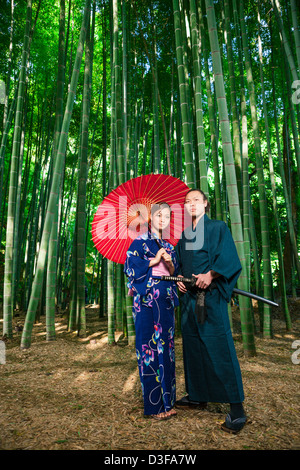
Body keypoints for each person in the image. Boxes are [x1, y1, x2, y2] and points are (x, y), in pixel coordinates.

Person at [175, 189, 247, 434]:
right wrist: (179, 281)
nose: (191, 203)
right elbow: (179, 265)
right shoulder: (183, 236)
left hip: (210, 298)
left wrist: (211, 274)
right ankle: (197, 395)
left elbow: (229, 259)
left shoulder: (218, 228)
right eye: (187, 201)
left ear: (205, 203)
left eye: (196, 199)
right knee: (193, 347)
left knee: (219, 347)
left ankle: (237, 410)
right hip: (189, 301)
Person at [124, 202, 179, 420]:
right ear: (151, 218)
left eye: (167, 216)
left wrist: (170, 264)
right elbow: (130, 269)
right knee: (148, 347)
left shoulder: (170, 246)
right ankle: (155, 406)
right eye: (159, 215)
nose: (162, 219)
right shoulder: (138, 243)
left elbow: (175, 274)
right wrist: (153, 260)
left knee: (167, 348)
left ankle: (169, 402)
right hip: (146, 300)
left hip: (164, 301)